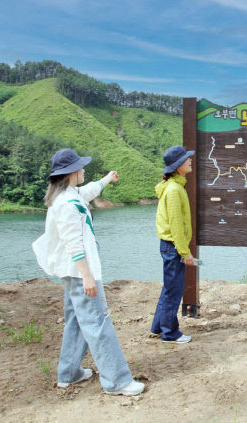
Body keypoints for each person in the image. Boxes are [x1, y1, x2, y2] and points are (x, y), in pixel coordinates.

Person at [32, 148, 144, 395]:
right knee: (97, 322)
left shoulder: (68, 195)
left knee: (77, 320)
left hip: (72, 272)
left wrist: (106, 179)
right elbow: (74, 243)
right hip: (79, 271)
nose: (83, 169)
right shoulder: (67, 204)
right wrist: (87, 276)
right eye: (80, 167)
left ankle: (69, 373)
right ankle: (117, 381)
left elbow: (89, 191)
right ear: (72, 172)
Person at [150, 145, 196, 343]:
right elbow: (177, 225)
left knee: (169, 288)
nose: (190, 161)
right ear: (178, 166)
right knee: (174, 291)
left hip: (169, 246)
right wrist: (185, 253)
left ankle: (158, 326)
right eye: (187, 159)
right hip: (173, 248)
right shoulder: (175, 190)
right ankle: (170, 333)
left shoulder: (174, 187)